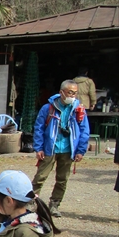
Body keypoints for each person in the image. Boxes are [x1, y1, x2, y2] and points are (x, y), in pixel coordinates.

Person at [31, 79, 90, 217]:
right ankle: (31, 203)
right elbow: (38, 128)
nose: (72, 96)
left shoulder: (78, 110)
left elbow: (84, 130)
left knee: (62, 179)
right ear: (61, 92)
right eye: (70, 92)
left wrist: (81, 150)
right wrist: (38, 147)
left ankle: (55, 205)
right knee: (40, 177)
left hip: (68, 149)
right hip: (49, 148)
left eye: (75, 93)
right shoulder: (48, 108)